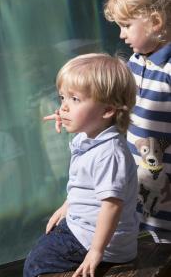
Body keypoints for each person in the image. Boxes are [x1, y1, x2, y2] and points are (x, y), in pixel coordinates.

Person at [23, 53, 139, 277]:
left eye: (74, 99)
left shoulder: (110, 153)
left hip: (101, 242)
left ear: (107, 110)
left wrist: (96, 252)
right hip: (86, 226)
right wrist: (68, 206)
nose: (64, 107)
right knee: (41, 249)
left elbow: (112, 205)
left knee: (37, 264)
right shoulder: (92, 137)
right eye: (62, 98)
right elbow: (85, 184)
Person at [103, 0, 171, 234]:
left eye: (126, 25)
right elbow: (115, 106)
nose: (121, 35)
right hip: (142, 193)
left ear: (155, 21)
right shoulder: (134, 63)